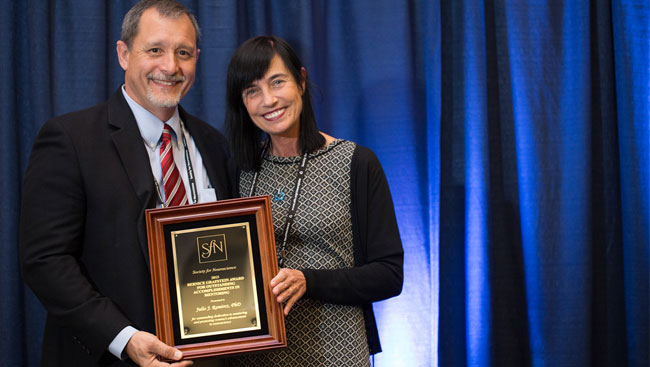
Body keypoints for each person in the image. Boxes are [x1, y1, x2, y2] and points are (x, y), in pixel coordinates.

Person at [18, 1, 233, 366]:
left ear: (196, 58)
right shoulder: (70, 138)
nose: (170, 66)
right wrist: (124, 338)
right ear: (123, 54)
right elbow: (45, 260)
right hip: (113, 357)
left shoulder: (214, 143)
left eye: (183, 53)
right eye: (155, 50)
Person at [223, 35, 404, 366]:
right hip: (256, 357)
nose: (269, 100)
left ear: (301, 82)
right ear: (243, 104)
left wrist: (309, 281)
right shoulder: (239, 170)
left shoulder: (356, 162)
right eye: (252, 91)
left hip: (336, 354)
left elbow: (389, 274)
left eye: (278, 82)